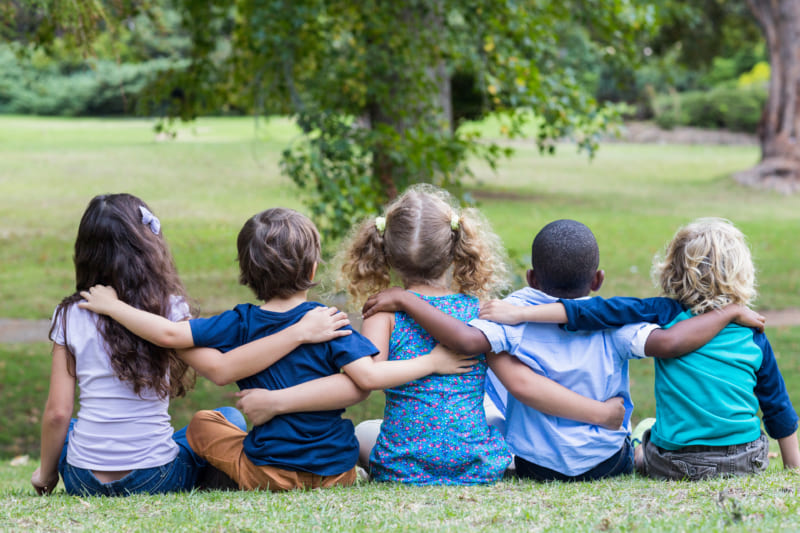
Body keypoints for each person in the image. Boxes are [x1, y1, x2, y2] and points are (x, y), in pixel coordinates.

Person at [80, 206, 474, 491]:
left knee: (204, 423)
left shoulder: (241, 322)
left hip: (268, 471)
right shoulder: (329, 320)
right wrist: (433, 362)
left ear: (246, 274)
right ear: (314, 269)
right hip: (337, 471)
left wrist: (114, 307)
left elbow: (169, 336)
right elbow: (362, 384)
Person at [362, 219, 766, 482]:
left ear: (532, 277)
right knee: (639, 440)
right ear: (598, 279)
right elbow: (671, 342)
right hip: (607, 462)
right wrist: (729, 312)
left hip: (536, 466)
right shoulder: (616, 320)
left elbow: (470, 344)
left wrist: (405, 300)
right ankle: (643, 446)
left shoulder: (511, 315)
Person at [32, 194, 357, 497]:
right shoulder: (169, 311)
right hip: (154, 475)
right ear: (150, 246)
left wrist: (46, 476)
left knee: (75, 428)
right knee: (223, 417)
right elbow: (220, 369)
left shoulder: (69, 314)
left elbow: (58, 413)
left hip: (82, 479)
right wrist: (299, 333)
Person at [492, 217, 800, 480]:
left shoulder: (662, 313)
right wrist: (792, 469)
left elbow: (591, 312)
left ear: (672, 270)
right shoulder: (752, 334)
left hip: (676, 464)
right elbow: (777, 407)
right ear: (743, 274)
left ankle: (640, 449)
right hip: (746, 460)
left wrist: (522, 314)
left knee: (646, 432)